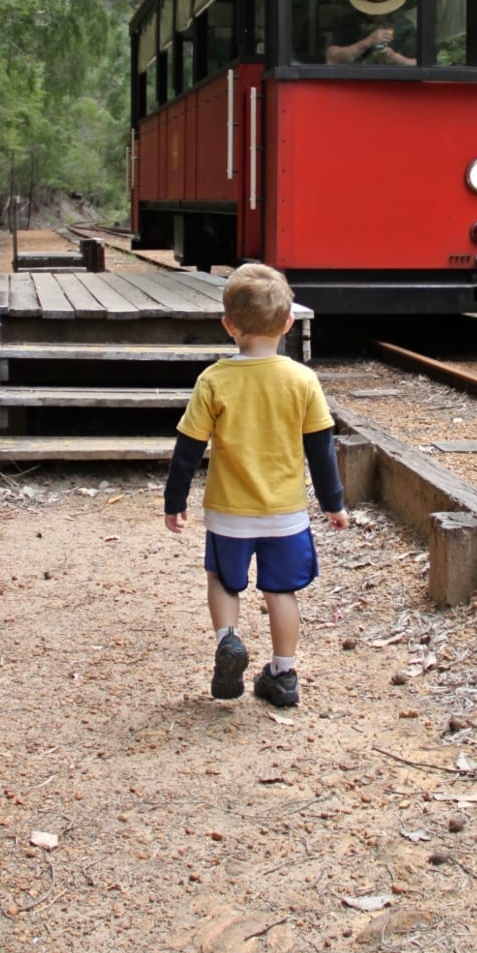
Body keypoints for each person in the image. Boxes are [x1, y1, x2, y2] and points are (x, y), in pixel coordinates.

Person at [163, 262, 349, 707]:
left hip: (229, 513)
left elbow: (188, 448)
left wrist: (175, 500)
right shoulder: (302, 380)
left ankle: (228, 642)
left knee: (223, 580)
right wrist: (333, 502)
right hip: (285, 514)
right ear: (288, 323)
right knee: (280, 591)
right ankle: (283, 675)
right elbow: (320, 449)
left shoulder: (214, 380)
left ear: (228, 325)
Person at [326, 0, 417, 66]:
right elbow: (331, 59)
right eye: (373, 9)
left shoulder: (403, 26)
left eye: (382, 10)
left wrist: (396, 58)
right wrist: (367, 42)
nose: (377, 13)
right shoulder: (350, 22)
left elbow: (419, 64)